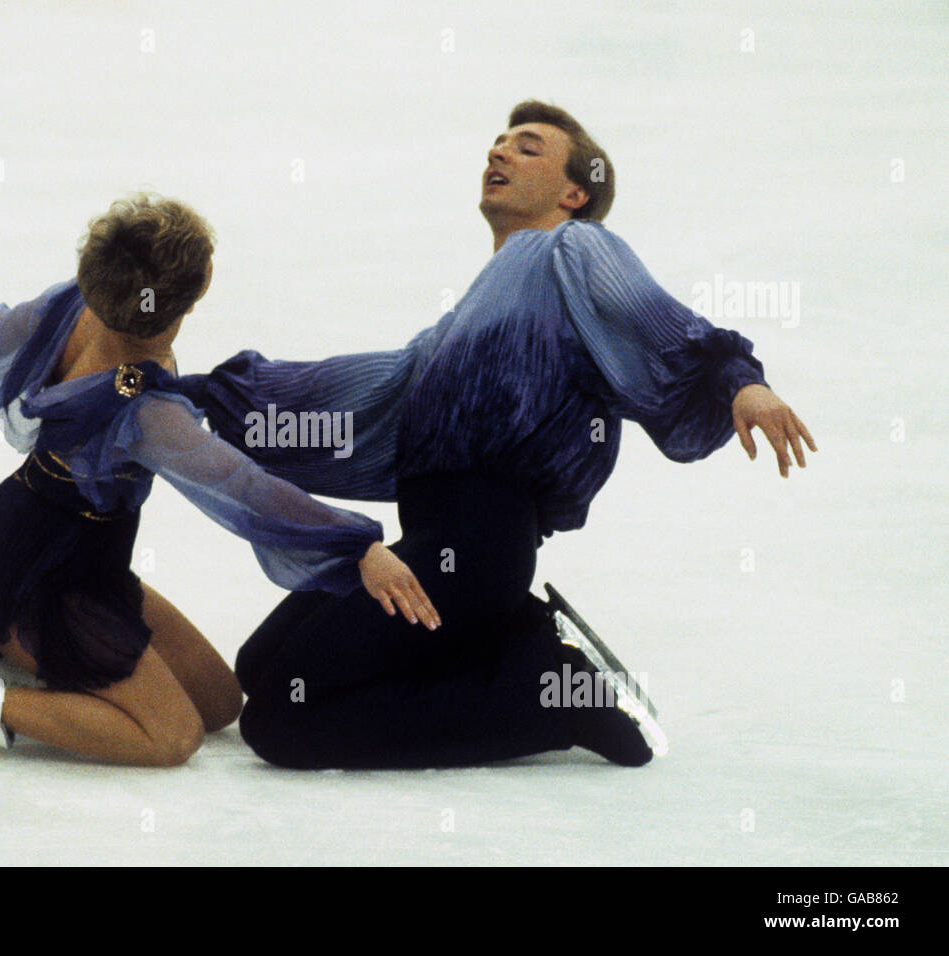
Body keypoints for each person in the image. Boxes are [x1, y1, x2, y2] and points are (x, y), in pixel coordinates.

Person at [180, 100, 817, 770]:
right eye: (498, 142)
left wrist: (740, 382)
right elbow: (359, 392)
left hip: (481, 546)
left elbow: (655, 319)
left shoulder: (575, 248)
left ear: (574, 193)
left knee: (282, 721)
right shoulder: (463, 326)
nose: (500, 152)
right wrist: (195, 395)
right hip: (436, 547)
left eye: (528, 147)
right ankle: (517, 639)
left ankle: (550, 698)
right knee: (262, 664)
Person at [0, 193, 438, 767]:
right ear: (189, 300)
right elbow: (241, 487)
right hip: (32, 582)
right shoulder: (145, 409)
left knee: (220, 703)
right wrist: (357, 546)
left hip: (77, 558)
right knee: (172, 738)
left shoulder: (76, 305)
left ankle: (16, 671)